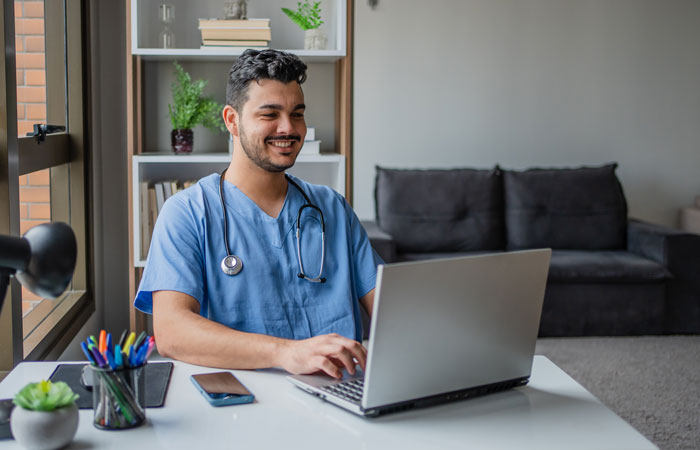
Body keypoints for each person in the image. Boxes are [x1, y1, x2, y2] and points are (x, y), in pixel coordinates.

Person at [134, 49, 381, 379]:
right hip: (243, 401)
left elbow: (390, 310)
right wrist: (287, 353)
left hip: (339, 393)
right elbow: (171, 332)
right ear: (232, 121)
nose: (288, 128)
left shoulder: (332, 208)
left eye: (297, 114)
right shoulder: (187, 213)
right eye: (270, 114)